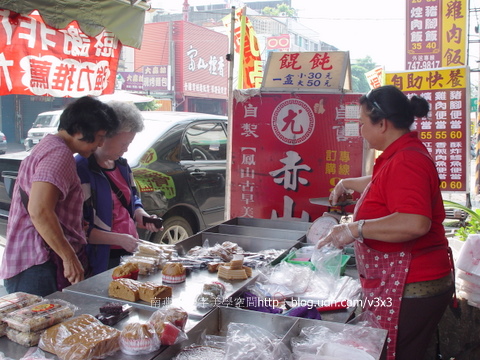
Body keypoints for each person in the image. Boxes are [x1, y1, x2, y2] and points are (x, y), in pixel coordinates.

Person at [316, 85, 455, 360]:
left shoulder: (407, 159)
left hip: (413, 284)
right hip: (404, 281)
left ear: (382, 124)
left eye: (362, 123)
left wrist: (354, 228)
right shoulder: (399, 154)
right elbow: (383, 183)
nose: (360, 129)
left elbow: (415, 223)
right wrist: (346, 183)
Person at [0, 96, 119, 296]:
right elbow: (39, 210)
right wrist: (69, 257)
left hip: (33, 263)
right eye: (99, 136)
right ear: (80, 131)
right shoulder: (59, 155)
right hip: (40, 264)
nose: (99, 144)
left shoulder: (49, 146)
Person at [76, 101, 162, 276]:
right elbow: (79, 228)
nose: (127, 149)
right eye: (123, 143)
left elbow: (132, 200)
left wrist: (142, 217)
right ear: (104, 136)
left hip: (128, 251)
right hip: (100, 258)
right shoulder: (82, 170)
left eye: (129, 143)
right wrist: (119, 239)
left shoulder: (122, 166)